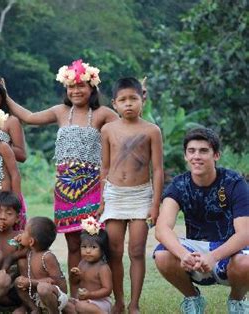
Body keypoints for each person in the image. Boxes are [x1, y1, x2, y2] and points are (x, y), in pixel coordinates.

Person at [6, 59, 118, 294]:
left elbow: (125, 130)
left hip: (93, 188)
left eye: (82, 86)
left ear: (92, 88)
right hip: (65, 191)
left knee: (94, 242)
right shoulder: (60, 111)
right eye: (71, 86)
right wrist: (5, 96)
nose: (76, 91)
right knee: (73, 244)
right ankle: (75, 294)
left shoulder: (103, 114)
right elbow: (28, 117)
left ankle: (97, 291)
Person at [154, 127, 249, 314]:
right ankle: (193, 298)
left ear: (216, 155)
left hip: (229, 252)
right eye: (192, 151)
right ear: (185, 156)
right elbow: (162, 228)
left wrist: (213, 257)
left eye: (203, 151)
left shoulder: (234, 182)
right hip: (196, 252)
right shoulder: (179, 185)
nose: (196, 156)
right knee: (162, 255)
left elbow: (245, 233)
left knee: (246, 264)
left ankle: (237, 300)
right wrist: (183, 254)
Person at [99, 77, 163, 313]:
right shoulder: (107, 130)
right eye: (123, 100)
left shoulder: (151, 131)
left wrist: (155, 204)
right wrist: (102, 198)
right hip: (114, 195)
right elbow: (104, 168)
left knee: (136, 251)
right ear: (114, 104)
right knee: (114, 251)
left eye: (133, 99)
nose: (128, 104)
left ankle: (134, 303)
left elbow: (157, 170)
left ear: (142, 100)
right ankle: (118, 301)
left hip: (140, 195)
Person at [13, 216, 69, 314]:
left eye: (24, 231)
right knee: (18, 281)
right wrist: (19, 244)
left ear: (31, 241)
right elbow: (15, 256)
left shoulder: (47, 257)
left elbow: (53, 281)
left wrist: (30, 282)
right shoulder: (30, 251)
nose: (21, 233)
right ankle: (35, 308)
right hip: (38, 295)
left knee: (42, 288)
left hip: (56, 295)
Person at [69, 217, 113, 314]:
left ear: (102, 249)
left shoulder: (103, 268)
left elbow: (107, 290)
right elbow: (75, 282)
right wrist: (73, 275)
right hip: (85, 301)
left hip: (100, 302)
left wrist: (90, 295)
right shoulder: (82, 263)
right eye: (84, 247)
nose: (88, 251)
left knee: (80, 306)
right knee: (67, 303)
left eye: (93, 247)